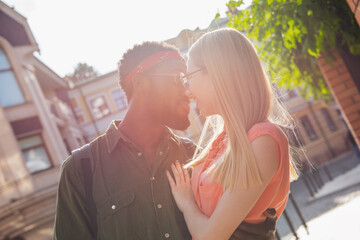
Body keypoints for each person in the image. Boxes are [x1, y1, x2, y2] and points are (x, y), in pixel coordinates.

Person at [53, 41, 277, 240]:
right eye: (178, 79)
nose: (189, 92)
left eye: (188, 79)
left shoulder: (197, 159)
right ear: (141, 84)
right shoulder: (80, 170)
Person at [167, 28, 299, 240]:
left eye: (189, 77)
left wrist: (187, 204)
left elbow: (209, 237)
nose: (187, 91)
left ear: (218, 73)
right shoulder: (223, 140)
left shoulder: (262, 139)